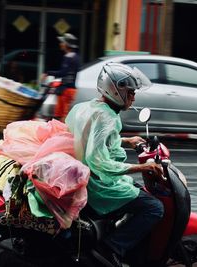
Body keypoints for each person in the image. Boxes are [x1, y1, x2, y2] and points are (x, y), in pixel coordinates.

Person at [65, 62, 164, 266]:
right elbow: (99, 162)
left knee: (137, 193)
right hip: (97, 185)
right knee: (154, 207)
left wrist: (126, 140)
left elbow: (89, 141)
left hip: (80, 177)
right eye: (130, 93)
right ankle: (112, 248)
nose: (133, 98)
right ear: (115, 90)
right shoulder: (106, 117)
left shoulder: (86, 106)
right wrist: (142, 167)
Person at [42, 33, 80, 122]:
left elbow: (63, 73)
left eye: (62, 42)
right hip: (68, 89)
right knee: (60, 114)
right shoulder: (75, 57)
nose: (60, 44)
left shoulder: (69, 57)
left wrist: (48, 73)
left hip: (67, 90)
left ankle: (61, 133)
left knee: (62, 115)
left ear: (67, 45)